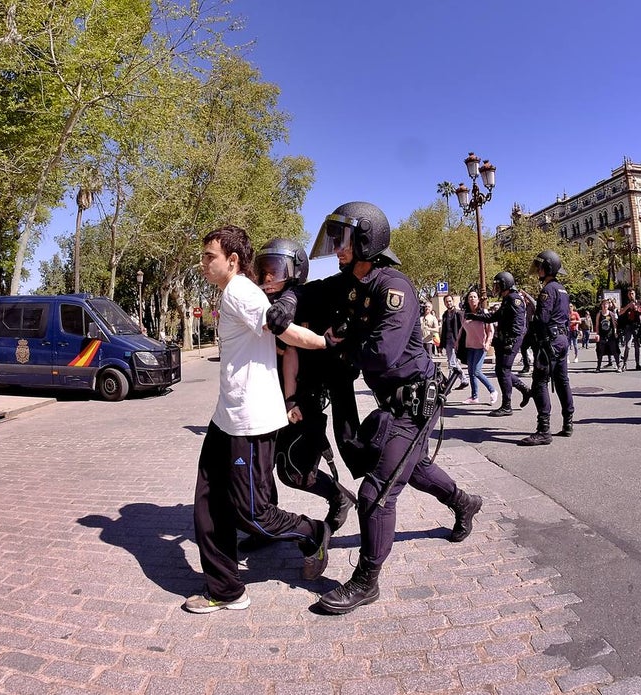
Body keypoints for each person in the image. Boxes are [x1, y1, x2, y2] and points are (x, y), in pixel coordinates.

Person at [306, 201, 483, 615]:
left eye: (343, 240)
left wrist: (338, 345)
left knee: (377, 492)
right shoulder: (354, 282)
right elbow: (313, 292)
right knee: (413, 468)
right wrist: (283, 303)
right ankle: (463, 503)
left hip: (415, 405)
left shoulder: (393, 287)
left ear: (367, 240)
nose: (337, 249)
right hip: (394, 405)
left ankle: (366, 581)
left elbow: (382, 354)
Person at [185, 225, 332, 614]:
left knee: (253, 513)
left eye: (209, 256)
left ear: (232, 260)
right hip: (226, 419)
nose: (203, 263)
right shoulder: (233, 292)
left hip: (248, 423)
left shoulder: (241, 291)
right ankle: (226, 589)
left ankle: (313, 532)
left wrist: (326, 342)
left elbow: (282, 328)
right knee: (208, 504)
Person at [251, 237, 357, 541]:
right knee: (260, 466)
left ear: (295, 270)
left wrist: (291, 399)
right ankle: (264, 523)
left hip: (301, 397)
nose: (268, 278)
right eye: (263, 270)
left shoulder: (308, 299)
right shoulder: (258, 303)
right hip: (268, 396)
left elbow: (293, 352)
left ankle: (339, 496)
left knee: (294, 470)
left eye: (275, 270)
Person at [520, 250, 575, 445]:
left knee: (540, 382)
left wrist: (532, 339)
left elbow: (541, 319)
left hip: (549, 341)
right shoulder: (562, 289)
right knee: (562, 381)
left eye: (540, 267)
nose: (538, 271)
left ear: (547, 268)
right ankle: (568, 423)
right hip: (562, 339)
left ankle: (543, 430)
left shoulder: (548, 291)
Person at [465, 272, 532, 416]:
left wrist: (510, 340)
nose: (496, 287)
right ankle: (524, 389)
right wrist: (475, 316)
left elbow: (519, 324)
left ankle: (507, 406)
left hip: (510, 340)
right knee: (500, 370)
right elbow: (494, 317)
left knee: (504, 371)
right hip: (505, 340)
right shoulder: (507, 299)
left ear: (505, 284)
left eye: (498, 284)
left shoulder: (514, 299)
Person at [458, 290, 497, 405]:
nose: (472, 299)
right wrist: (457, 341)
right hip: (470, 345)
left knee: (477, 371)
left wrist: (488, 343)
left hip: (481, 346)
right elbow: (461, 329)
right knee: (471, 372)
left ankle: (493, 391)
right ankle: (474, 397)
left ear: (478, 299)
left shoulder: (483, 312)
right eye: (470, 297)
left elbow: (490, 330)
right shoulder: (465, 314)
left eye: (475, 297)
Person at [440, 295, 467, 385]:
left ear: (453, 301)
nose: (448, 303)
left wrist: (461, 341)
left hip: (456, 340)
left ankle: (450, 383)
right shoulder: (445, 315)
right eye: (446, 302)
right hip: (448, 341)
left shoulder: (458, 313)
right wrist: (441, 344)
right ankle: (464, 379)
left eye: (450, 301)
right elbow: (443, 330)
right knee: (452, 362)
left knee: (452, 363)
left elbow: (463, 328)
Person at [617, 288, 641, 370]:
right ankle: (625, 364)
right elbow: (620, 313)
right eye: (630, 294)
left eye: (632, 293)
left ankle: (638, 364)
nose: (631, 295)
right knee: (628, 346)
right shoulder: (625, 303)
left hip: (637, 327)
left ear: (635, 294)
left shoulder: (639, 302)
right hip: (628, 326)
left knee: (637, 346)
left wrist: (637, 308)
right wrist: (628, 306)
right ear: (628, 295)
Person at [594, 298, 619, 372]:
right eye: (604, 304)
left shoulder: (611, 314)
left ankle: (618, 366)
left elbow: (614, 325)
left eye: (606, 304)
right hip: (602, 336)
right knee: (600, 351)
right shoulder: (599, 314)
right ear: (601, 305)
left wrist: (615, 333)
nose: (605, 305)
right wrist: (597, 334)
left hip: (610, 335)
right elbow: (597, 325)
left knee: (614, 351)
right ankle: (598, 367)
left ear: (608, 305)